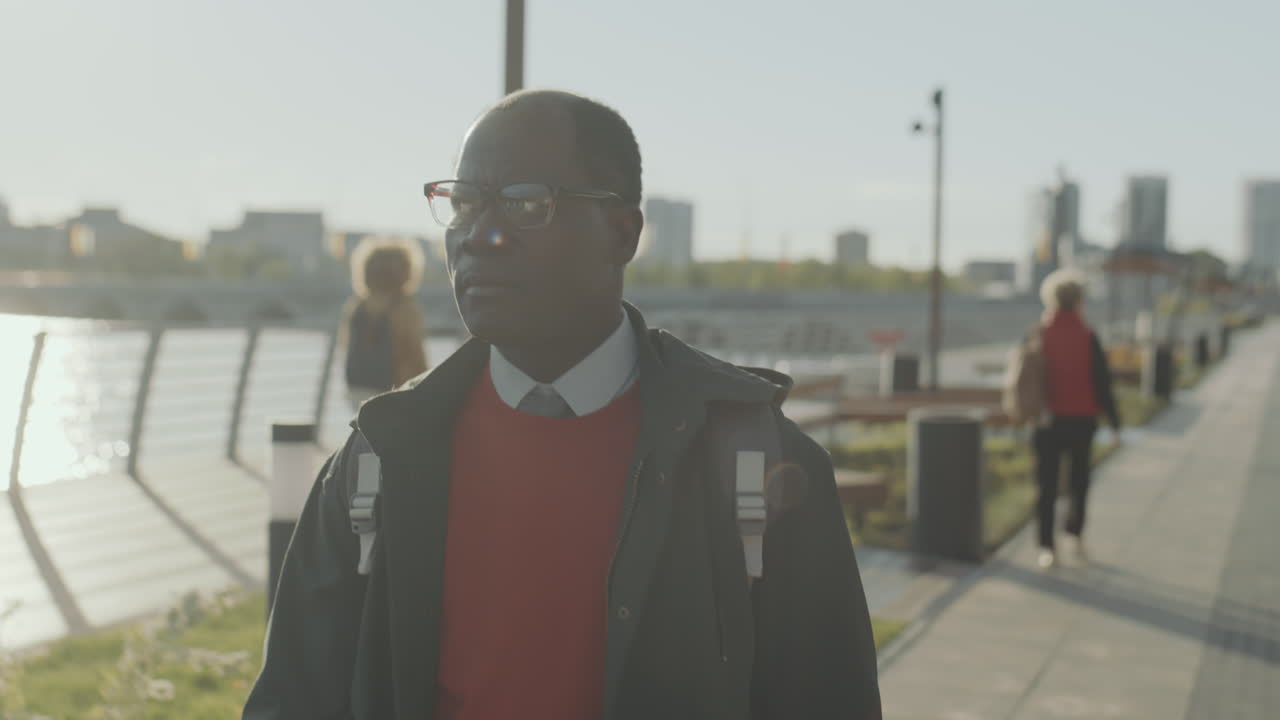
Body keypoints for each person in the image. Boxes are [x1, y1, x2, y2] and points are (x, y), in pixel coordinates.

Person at [244, 89, 881, 719]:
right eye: (464, 203)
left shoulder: (756, 464)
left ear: (622, 233)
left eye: (527, 205)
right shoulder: (377, 458)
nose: (480, 236)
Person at [1033, 269, 1121, 569]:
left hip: (1047, 421)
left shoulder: (1038, 333)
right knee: (1079, 481)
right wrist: (1115, 423)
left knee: (1046, 485)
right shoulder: (1089, 336)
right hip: (1083, 420)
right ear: (1080, 301)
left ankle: (1047, 547)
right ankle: (1075, 534)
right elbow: (1102, 383)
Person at [340, 235, 428, 410]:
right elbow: (415, 355)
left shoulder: (357, 307)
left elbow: (346, 345)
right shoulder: (405, 308)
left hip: (356, 389)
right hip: (393, 392)